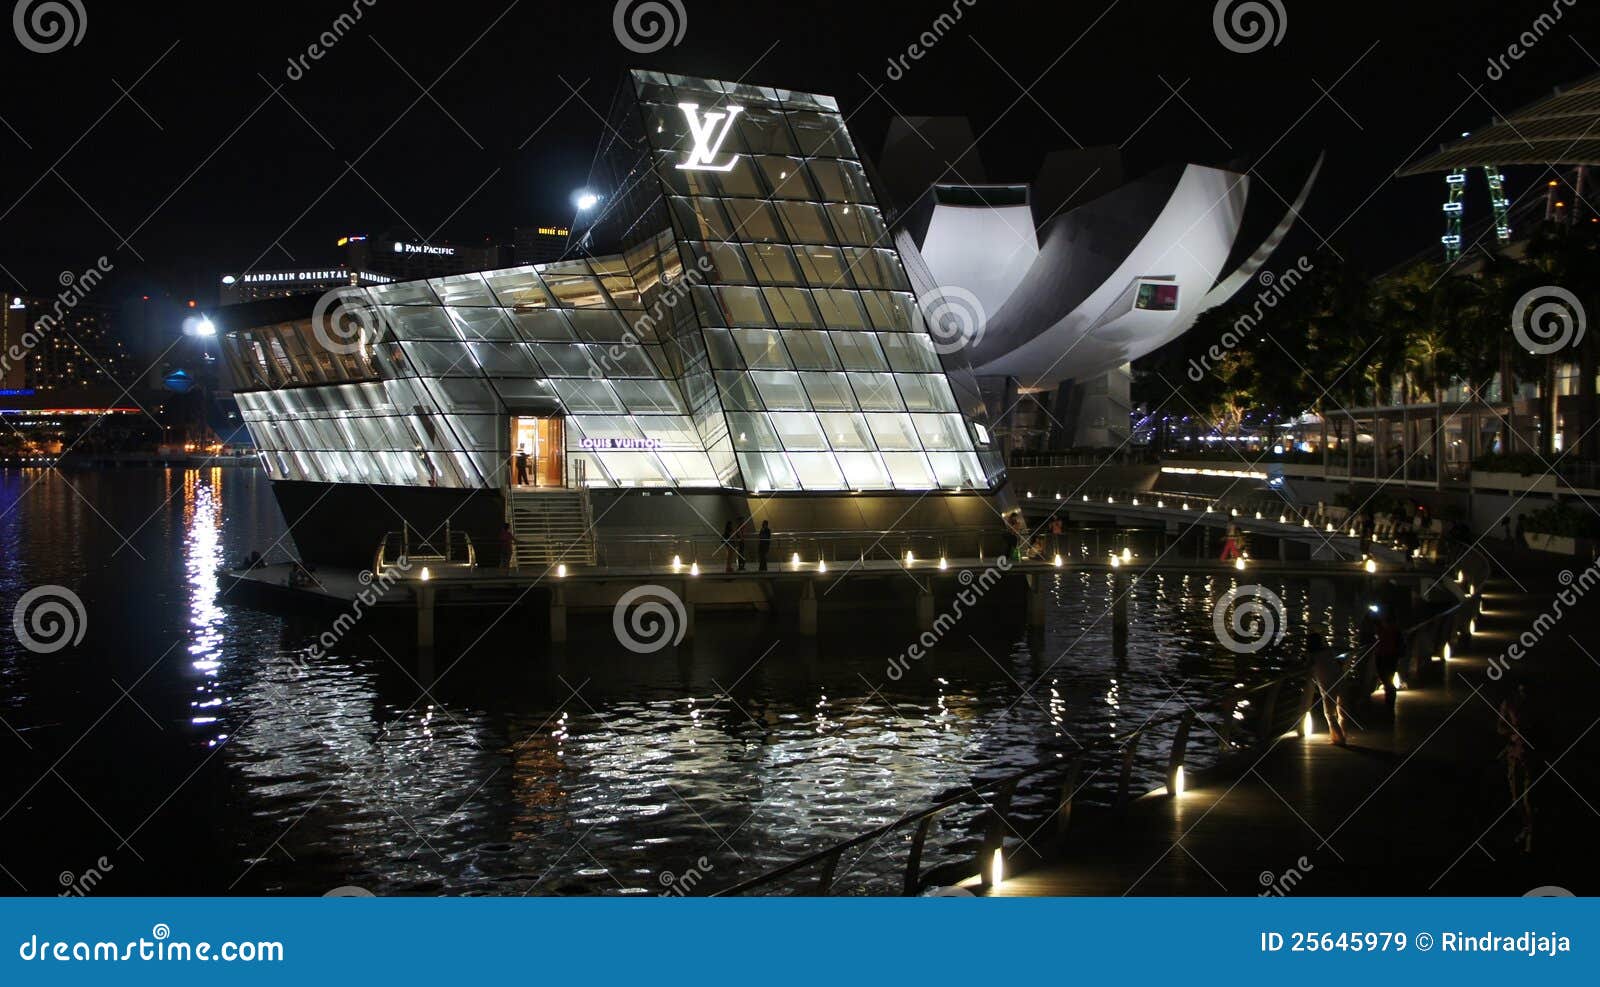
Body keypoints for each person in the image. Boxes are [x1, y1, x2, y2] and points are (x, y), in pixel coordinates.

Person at [1305, 627, 1348, 746]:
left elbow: (1308, 667)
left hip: (1327, 685)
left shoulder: (1312, 655)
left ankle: (1339, 739)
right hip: (1340, 680)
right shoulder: (1328, 651)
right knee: (1342, 712)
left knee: (1330, 714)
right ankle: (1342, 735)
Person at [1373, 612, 1403, 711]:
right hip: (1389, 657)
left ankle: (1389, 704)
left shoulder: (1383, 630)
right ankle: (1389, 703)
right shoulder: (1395, 630)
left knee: (1387, 681)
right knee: (1387, 680)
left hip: (1385, 657)